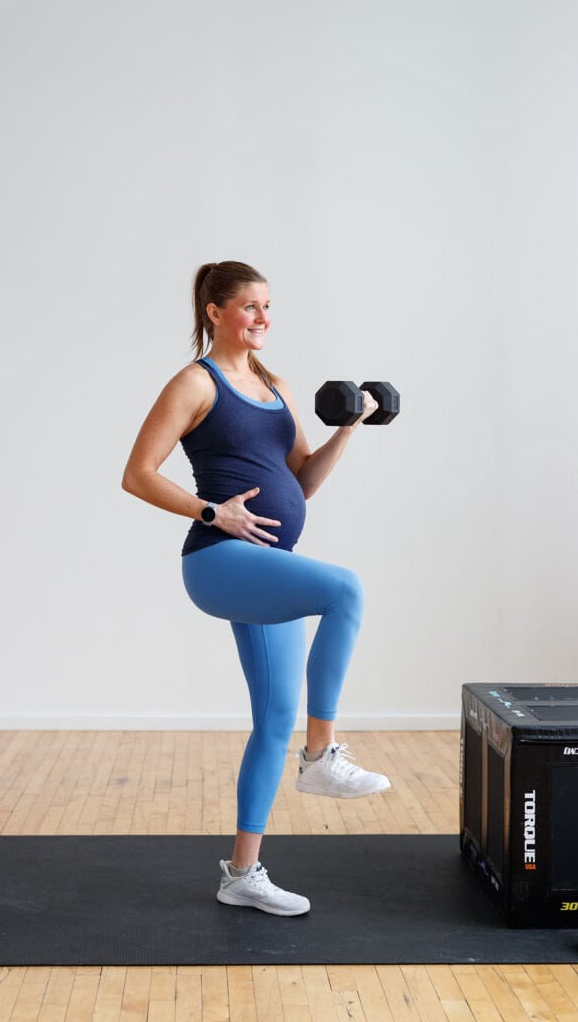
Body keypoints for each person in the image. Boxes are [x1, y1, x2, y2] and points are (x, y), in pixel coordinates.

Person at [121, 260, 390, 917]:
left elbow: (299, 482)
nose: (263, 317)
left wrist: (348, 427)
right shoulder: (194, 382)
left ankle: (242, 874)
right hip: (220, 559)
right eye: (249, 306)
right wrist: (212, 512)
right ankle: (322, 752)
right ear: (214, 312)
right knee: (345, 589)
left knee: (271, 721)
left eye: (268, 306)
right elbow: (137, 474)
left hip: (269, 563)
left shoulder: (276, 386)